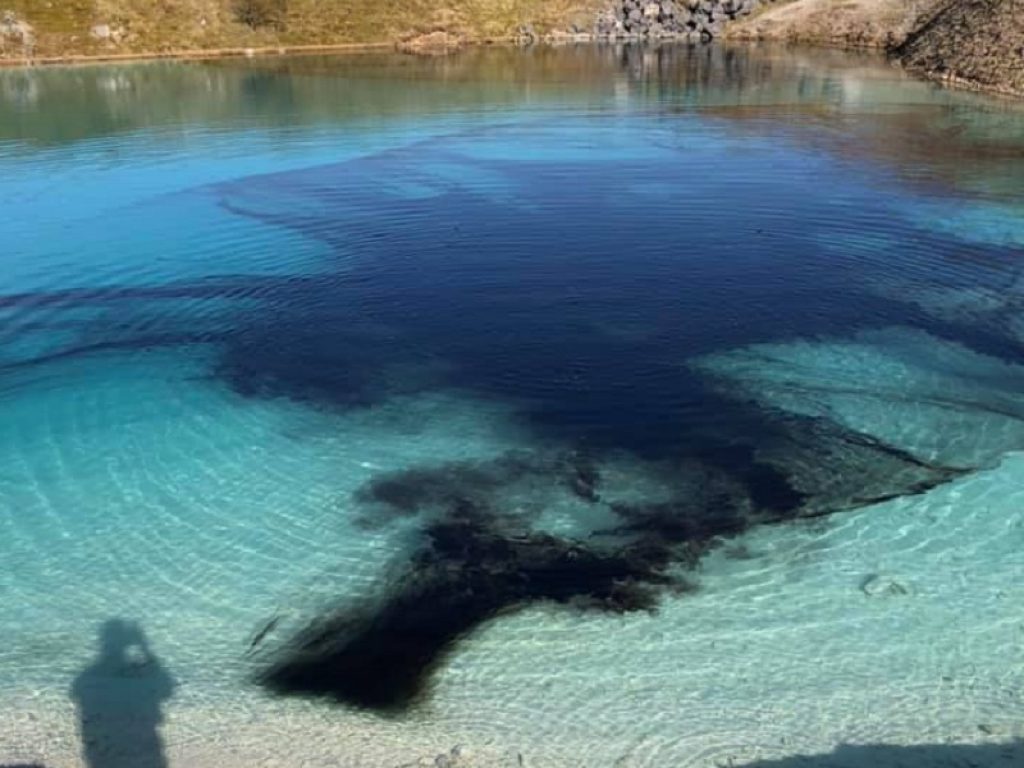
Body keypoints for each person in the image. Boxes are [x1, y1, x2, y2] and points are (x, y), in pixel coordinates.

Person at [70, 620, 175, 768]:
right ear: (127, 644)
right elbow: (166, 687)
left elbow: (84, 717)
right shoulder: (138, 673)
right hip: (141, 747)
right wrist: (144, 646)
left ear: (101, 643)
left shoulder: (86, 678)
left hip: (104, 750)